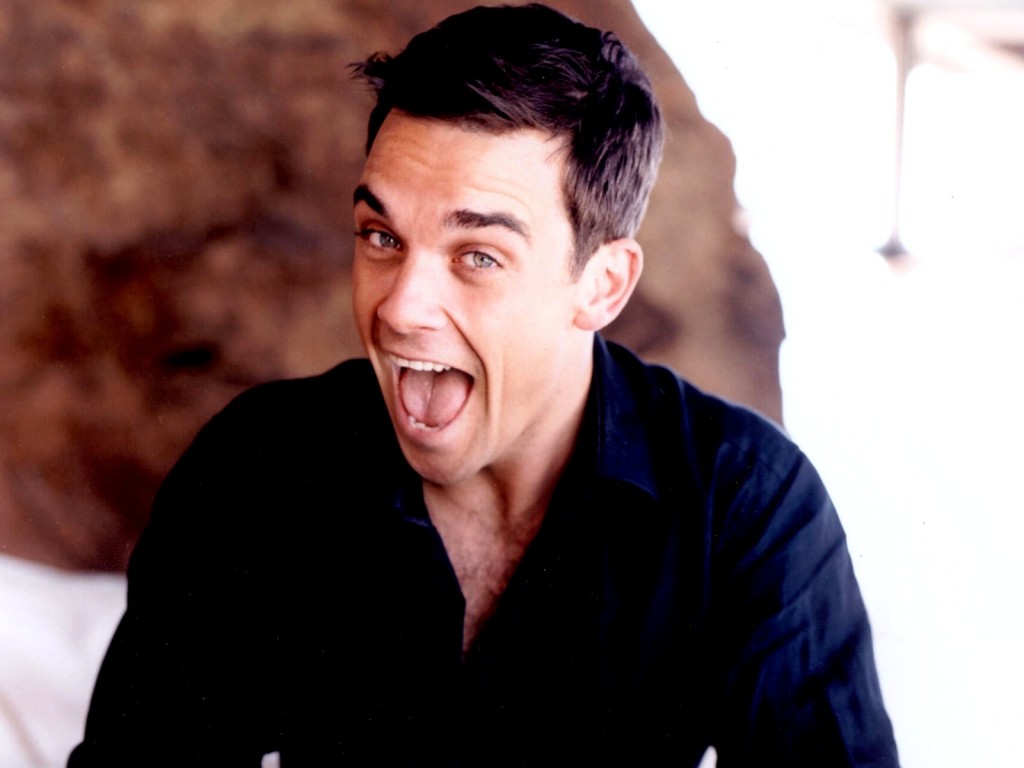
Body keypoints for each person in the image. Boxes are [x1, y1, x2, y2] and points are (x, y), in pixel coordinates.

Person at [69, 4, 898, 766]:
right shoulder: (258, 471)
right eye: (381, 236)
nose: (400, 307)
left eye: (477, 255)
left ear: (602, 286)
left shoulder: (745, 504)